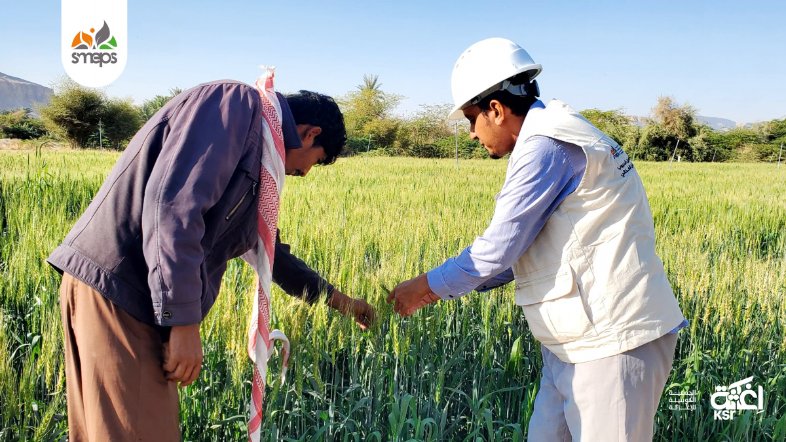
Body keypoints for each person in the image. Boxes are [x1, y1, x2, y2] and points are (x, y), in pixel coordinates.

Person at [388, 38, 686, 441]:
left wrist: (424, 287)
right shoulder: (553, 131)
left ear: (495, 109)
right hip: (573, 345)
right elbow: (518, 255)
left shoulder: (547, 143)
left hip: (611, 343)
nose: (472, 136)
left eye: (470, 120)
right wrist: (443, 288)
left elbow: (498, 250)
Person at [48, 76, 376, 441]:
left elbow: (272, 257)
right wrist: (182, 321)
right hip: (119, 290)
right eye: (315, 161)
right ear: (310, 133)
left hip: (137, 299)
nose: (303, 173)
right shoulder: (236, 106)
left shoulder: (258, 158)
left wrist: (343, 303)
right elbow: (174, 208)